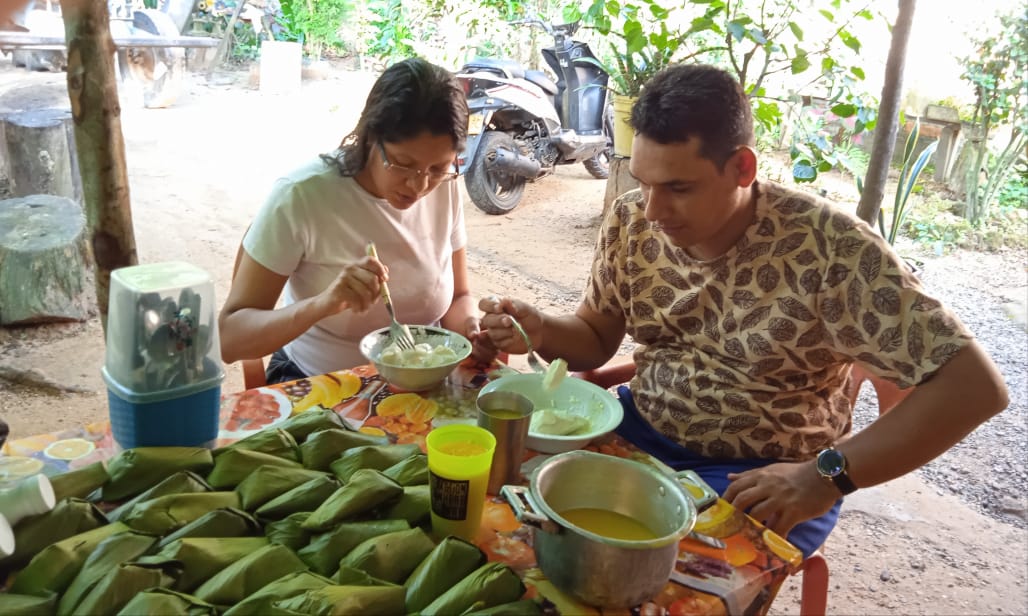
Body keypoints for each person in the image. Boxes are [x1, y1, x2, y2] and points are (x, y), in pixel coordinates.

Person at [479, 64, 1008, 557]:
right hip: (638, 432)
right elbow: (596, 337)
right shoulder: (632, 220)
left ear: (742, 168)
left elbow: (974, 389)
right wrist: (539, 328)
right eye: (642, 183)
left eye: (678, 188)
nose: (653, 211)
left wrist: (825, 477)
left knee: (652, 578)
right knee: (513, 522)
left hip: (764, 476)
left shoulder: (833, 251)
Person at [220, 57, 490, 383]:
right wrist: (324, 303)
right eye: (403, 164)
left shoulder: (443, 189)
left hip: (425, 380)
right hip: (318, 381)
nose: (419, 186)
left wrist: (471, 329)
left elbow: (459, 298)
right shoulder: (304, 196)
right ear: (370, 138)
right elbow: (230, 339)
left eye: (437, 169)